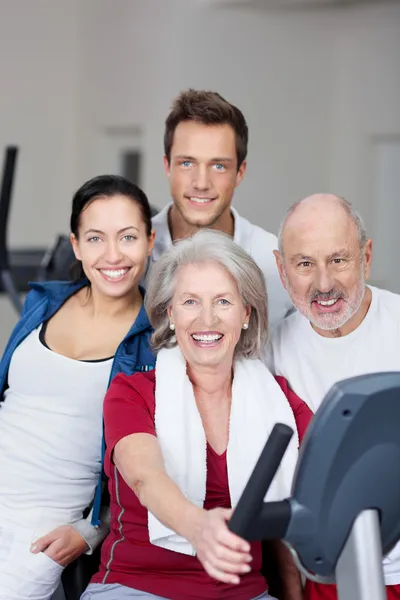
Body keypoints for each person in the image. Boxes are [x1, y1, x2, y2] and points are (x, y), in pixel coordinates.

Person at [82, 229, 311, 600]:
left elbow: (333, 475)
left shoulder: (280, 402)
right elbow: (145, 477)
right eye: (190, 302)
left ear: (246, 314)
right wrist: (197, 527)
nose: (207, 319)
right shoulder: (131, 393)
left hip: (244, 593)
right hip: (134, 586)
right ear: (170, 314)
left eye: (223, 301)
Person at [0, 175, 156, 600]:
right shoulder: (44, 303)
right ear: (75, 245)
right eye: (95, 238)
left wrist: (91, 531)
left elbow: (154, 469)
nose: (112, 255)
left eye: (127, 237)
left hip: (42, 532)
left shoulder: (156, 341)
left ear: (149, 240)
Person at [266, 193, 400, 600]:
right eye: (305, 263)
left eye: (338, 260)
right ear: (282, 269)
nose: (323, 284)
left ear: (366, 256)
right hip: (326, 576)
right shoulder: (269, 355)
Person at [146, 89, 292, 327]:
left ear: (240, 173)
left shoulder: (273, 262)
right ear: (167, 166)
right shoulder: (131, 253)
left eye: (219, 166)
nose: (201, 183)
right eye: (186, 163)